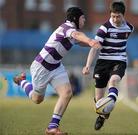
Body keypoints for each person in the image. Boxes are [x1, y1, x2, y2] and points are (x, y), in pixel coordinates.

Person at [13, 7, 101, 135]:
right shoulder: (67, 28)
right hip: (41, 66)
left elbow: (79, 41)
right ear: (75, 18)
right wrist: (89, 40)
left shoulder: (72, 31)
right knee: (37, 99)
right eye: (83, 18)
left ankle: (52, 127)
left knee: (67, 93)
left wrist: (95, 43)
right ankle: (22, 81)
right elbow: (77, 35)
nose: (85, 20)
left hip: (55, 66)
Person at [82, 1, 133, 130]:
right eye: (113, 16)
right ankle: (102, 115)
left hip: (119, 61)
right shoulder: (104, 28)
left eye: (118, 16)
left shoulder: (129, 28)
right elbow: (94, 48)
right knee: (98, 99)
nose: (115, 19)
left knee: (114, 81)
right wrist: (88, 65)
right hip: (103, 62)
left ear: (123, 15)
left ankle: (110, 102)